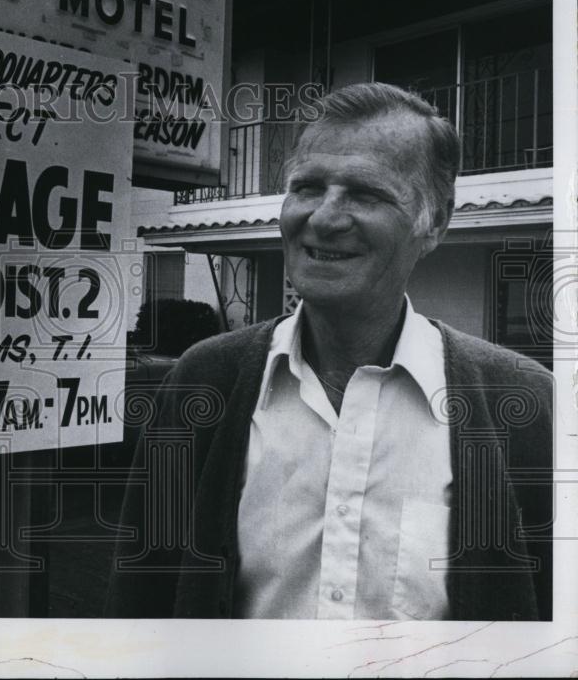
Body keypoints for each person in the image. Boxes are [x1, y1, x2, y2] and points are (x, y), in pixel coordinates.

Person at [105, 82, 553, 620]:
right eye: (308, 187)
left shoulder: (524, 403)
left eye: (366, 194)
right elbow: (140, 606)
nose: (323, 217)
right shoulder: (205, 381)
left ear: (434, 222)